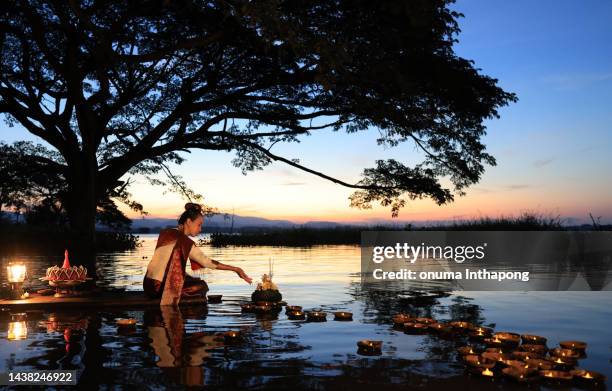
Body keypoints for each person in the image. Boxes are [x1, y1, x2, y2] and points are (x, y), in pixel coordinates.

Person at [143, 203, 252, 306]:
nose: (200, 229)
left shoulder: (166, 233)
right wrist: (236, 269)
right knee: (202, 285)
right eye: (199, 225)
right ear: (189, 221)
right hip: (159, 288)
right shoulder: (186, 243)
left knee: (192, 279)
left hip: (148, 284)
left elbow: (164, 266)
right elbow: (207, 262)